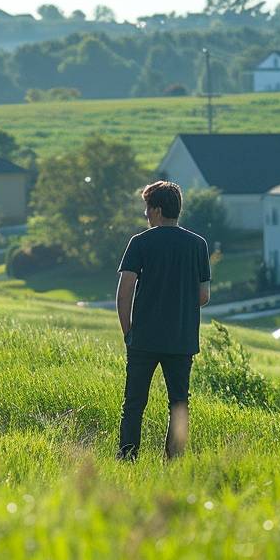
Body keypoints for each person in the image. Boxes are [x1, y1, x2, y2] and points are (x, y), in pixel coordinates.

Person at [116, 180, 211, 460]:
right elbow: (203, 296)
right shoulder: (198, 244)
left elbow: (124, 295)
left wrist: (128, 333)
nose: (145, 215)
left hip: (144, 338)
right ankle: (174, 461)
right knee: (179, 404)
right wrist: (177, 299)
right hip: (181, 338)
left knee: (133, 404)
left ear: (156, 210)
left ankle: (127, 457)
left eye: (147, 208)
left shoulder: (140, 243)